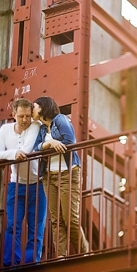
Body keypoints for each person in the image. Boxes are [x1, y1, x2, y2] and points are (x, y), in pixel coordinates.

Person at [0, 97, 47, 266]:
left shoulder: (35, 126)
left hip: (38, 185)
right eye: (21, 116)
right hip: (16, 185)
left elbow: (27, 150)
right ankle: (10, 263)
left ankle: (31, 264)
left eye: (28, 116)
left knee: (35, 229)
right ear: (13, 114)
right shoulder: (5, 130)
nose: (25, 120)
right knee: (12, 225)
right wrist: (13, 153)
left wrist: (15, 153)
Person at [33, 96, 89, 257]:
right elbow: (36, 148)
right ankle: (61, 256)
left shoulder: (60, 119)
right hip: (49, 176)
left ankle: (84, 254)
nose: (32, 110)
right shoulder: (42, 128)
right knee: (56, 220)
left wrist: (53, 143)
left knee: (70, 219)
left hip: (68, 174)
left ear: (43, 108)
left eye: (35, 107)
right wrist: (50, 144)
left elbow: (70, 141)